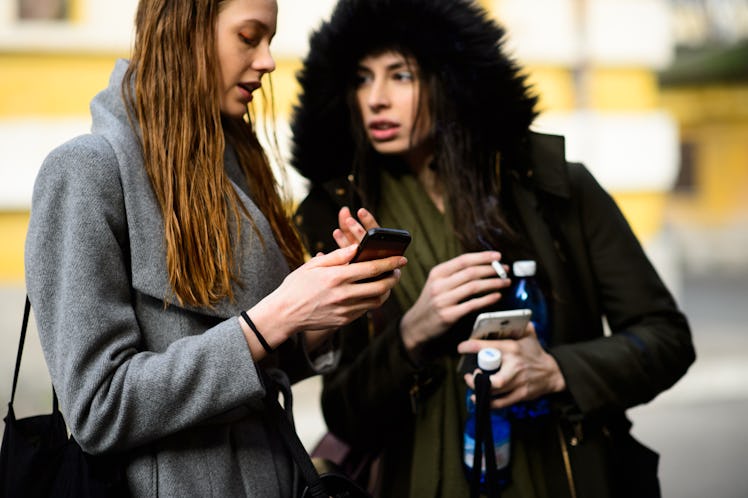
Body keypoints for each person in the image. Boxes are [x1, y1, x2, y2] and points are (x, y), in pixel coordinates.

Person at [290, 0, 696, 497]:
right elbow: (344, 414)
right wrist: (411, 334)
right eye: (361, 78)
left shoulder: (552, 190)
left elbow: (666, 338)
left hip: (557, 473)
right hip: (412, 478)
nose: (375, 99)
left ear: (451, 78)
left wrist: (555, 371)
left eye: (401, 76)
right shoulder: (338, 214)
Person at [24, 0, 407, 496]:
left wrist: (321, 314)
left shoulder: (235, 171)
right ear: (184, 31)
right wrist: (277, 315)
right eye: (249, 37)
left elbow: (248, 366)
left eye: (268, 40)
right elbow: (100, 408)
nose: (268, 60)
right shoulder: (86, 172)